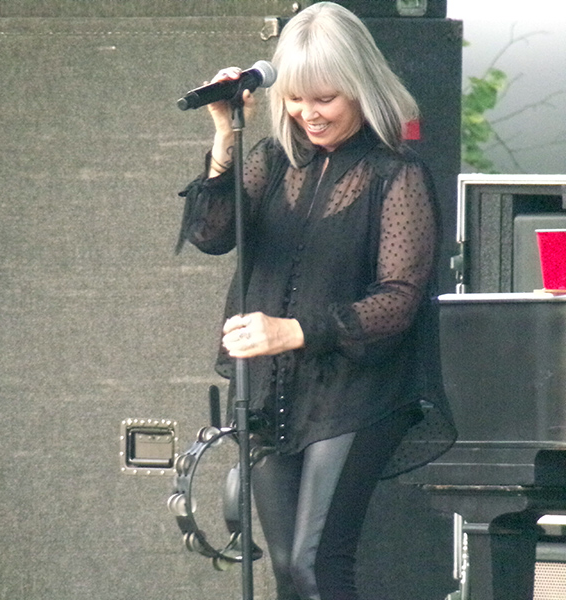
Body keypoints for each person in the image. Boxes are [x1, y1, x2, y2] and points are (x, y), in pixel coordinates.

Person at [176, 3, 456, 599]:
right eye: (297, 99)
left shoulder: (394, 174)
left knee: (315, 562)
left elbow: (400, 300)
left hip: (357, 388)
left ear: (360, 89)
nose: (308, 114)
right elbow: (211, 234)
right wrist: (225, 135)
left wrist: (293, 331)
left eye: (324, 98)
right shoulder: (275, 160)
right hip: (273, 386)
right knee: (284, 568)